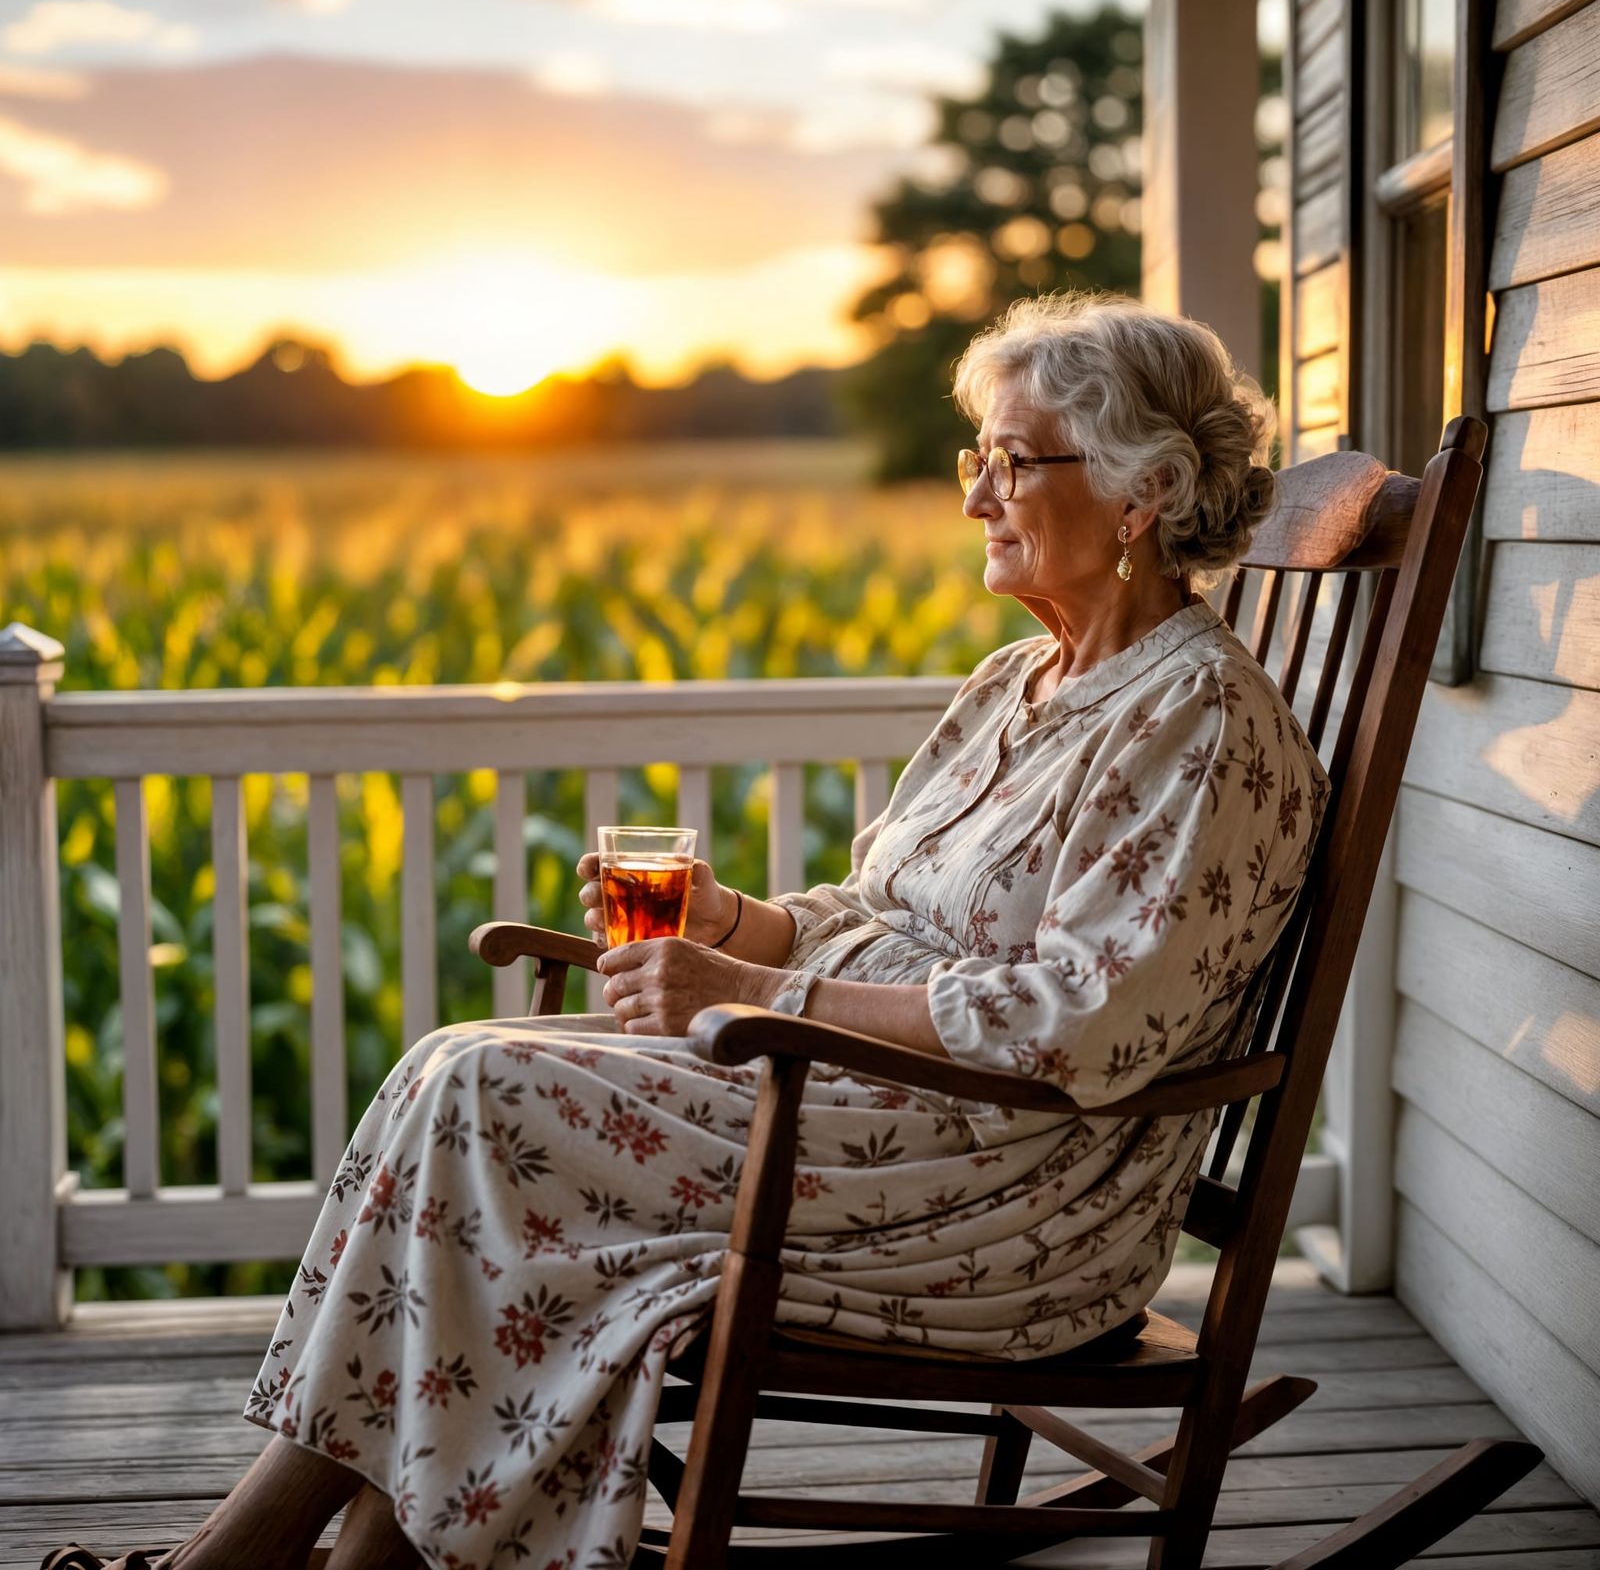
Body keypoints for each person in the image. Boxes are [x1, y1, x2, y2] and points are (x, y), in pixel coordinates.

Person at [48, 293, 1329, 1570]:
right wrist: (745, 924)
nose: (974, 495)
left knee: (489, 1093)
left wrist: (770, 998)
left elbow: (1079, 1024)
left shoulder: (1198, 723)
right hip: (866, 1106)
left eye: (1011, 459)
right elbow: (878, 909)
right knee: (450, 1069)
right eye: (974, 459)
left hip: (1003, 1185)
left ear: (1139, 492)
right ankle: (341, 1559)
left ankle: (235, 1561)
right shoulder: (1016, 679)